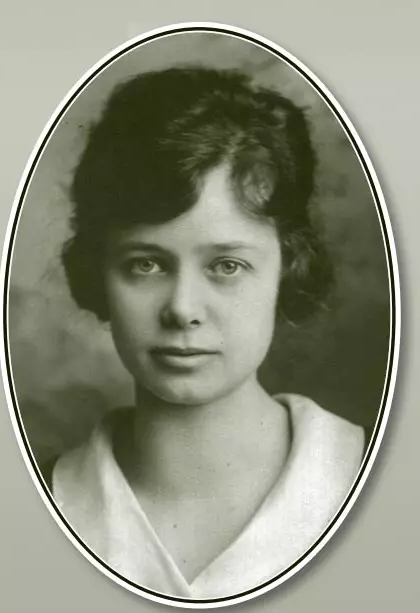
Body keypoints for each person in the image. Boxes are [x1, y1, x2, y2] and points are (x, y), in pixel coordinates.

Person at [44, 67, 366, 599]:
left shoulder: (375, 481)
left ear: (289, 267)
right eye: (145, 265)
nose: (182, 310)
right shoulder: (40, 505)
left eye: (227, 266)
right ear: (97, 273)